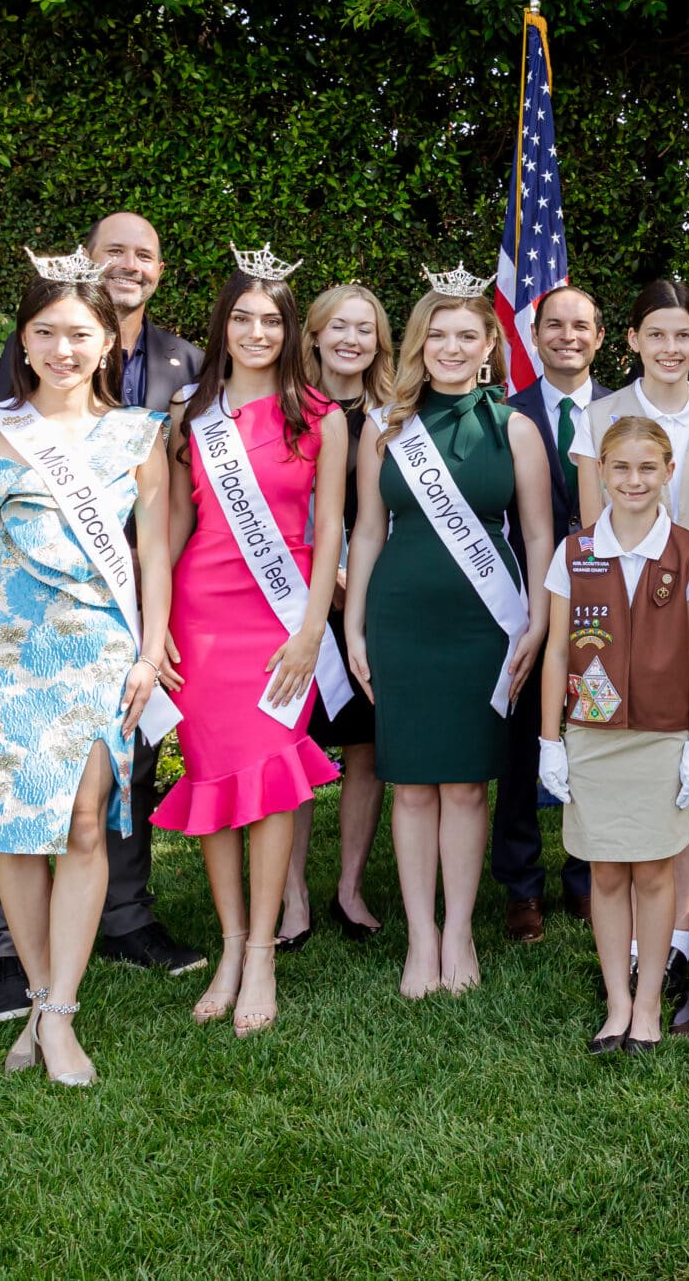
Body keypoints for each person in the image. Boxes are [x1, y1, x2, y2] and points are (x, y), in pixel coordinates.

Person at [0, 252, 172, 1085]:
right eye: (46, 333)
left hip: (100, 653)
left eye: (80, 333)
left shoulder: (141, 434)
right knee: (16, 833)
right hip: (1, 653)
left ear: (108, 341)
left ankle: (60, 1014)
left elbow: (156, 556)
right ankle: (35, 997)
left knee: (81, 819)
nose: (63, 348)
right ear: (24, 342)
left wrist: (150, 652)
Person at [0, 212, 203, 1021]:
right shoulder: (19, 378)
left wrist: (157, 622)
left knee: (111, 786)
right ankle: (6, 953)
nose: (129, 264)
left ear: (159, 269)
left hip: (120, 611)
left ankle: (122, 920)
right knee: (22, 789)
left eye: (145, 253)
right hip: (25, 619)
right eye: (116, 251)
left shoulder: (185, 362)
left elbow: (176, 506)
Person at [344, 277, 555, 999]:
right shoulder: (383, 426)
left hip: (484, 622)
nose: (452, 347)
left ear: (490, 346)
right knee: (409, 786)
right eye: (438, 335)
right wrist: (353, 624)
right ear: (418, 345)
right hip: (402, 619)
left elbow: (536, 533)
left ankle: (460, 927)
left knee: (465, 786)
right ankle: (421, 937)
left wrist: (539, 621)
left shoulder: (516, 428)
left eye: (468, 335)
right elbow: (367, 530)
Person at [152, 256, 346, 1037]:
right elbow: (171, 525)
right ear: (222, 326)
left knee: (268, 788)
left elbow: (331, 528)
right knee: (213, 783)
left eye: (272, 319)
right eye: (243, 317)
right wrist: (154, 619)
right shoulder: (186, 416)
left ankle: (262, 950)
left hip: (281, 622)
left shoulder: (322, 418)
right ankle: (230, 946)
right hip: (201, 618)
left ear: (290, 329)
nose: (257, 331)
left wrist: (310, 632)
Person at [572, 278, 689, 1031]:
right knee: (623, 773)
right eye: (658, 334)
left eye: (685, 334)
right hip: (612, 630)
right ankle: (627, 948)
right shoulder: (601, 416)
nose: (673, 348)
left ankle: (674, 939)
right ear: (635, 341)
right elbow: (591, 526)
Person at [537, 416, 689, 1053]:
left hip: (664, 738)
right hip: (593, 738)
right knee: (606, 873)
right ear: (600, 473)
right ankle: (616, 1002)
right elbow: (557, 652)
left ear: (670, 473)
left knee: (653, 870)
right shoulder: (575, 552)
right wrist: (549, 740)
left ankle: (648, 1005)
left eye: (648, 468)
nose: (633, 480)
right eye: (620, 467)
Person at [496, 283, 604, 942]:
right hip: (525, 602)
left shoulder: (624, 412)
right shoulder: (505, 415)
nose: (568, 336)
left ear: (599, 336)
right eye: (554, 326)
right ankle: (520, 884)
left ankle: (588, 874)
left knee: (594, 733)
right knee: (518, 745)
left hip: (602, 605)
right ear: (534, 338)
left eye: (581, 325)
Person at [291, 282, 395, 941]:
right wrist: (325, 577)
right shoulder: (285, 408)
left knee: (367, 746)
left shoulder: (394, 414)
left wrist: (356, 581)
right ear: (316, 335)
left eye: (366, 328)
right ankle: (291, 893)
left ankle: (349, 889)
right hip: (297, 595)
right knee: (292, 745)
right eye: (341, 326)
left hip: (374, 594)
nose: (353, 339)